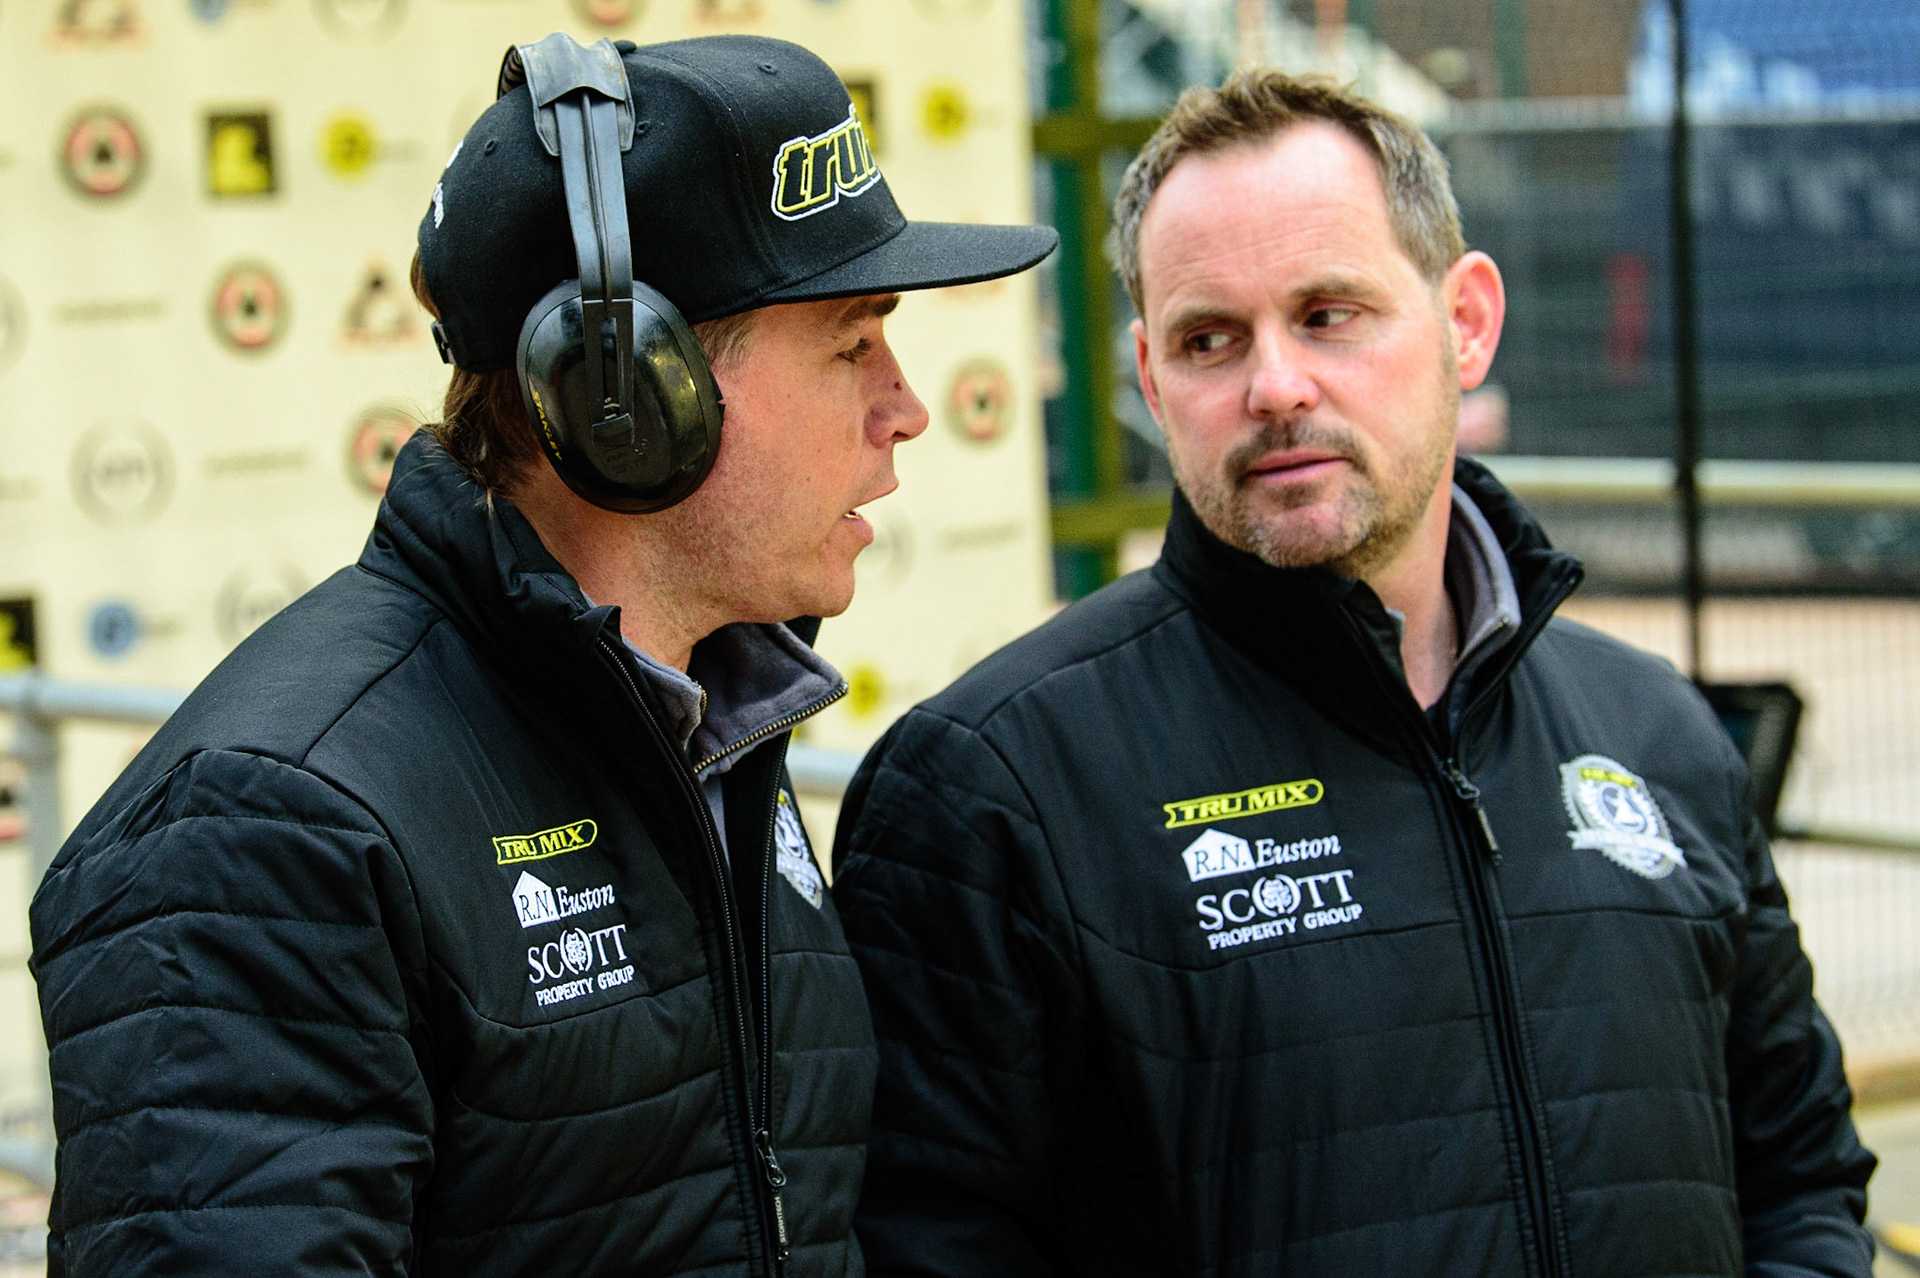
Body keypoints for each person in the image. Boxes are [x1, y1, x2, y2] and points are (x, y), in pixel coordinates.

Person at [30, 32, 1053, 1276]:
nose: (906, 408)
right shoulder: (266, 829)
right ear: (627, 393)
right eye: (851, 343)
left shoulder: (703, 723)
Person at [832, 69, 1875, 1276]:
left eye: (1329, 314)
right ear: (1154, 377)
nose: (1274, 385)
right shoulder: (990, 788)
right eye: (1210, 338)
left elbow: (1800, 1180)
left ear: (1466, 322)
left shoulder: (1660, 735)